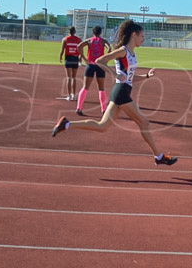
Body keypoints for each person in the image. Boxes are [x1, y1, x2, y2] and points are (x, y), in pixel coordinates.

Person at [52, 20, 177, 166]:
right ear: (134, 34)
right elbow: (100, 60)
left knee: (102, 126)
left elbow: (129, 78)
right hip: (121, 92)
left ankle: (67, 124)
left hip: (121, 91)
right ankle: (158, 156)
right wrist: (114, 73)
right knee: (144, 122)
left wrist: (146, 76)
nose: (143, 39)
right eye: (142, 36)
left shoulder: (132, 54)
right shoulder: (123, 50)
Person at [75, 25, 111, 116]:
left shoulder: (89, 41)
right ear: (101, 32)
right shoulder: (103, 41)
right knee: (101, 88)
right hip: (100, 66)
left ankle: (79, 107)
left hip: (90, 65)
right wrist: (105, 59)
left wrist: (83, 58)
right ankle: (103, 110)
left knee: (85, 87)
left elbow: (79, 46)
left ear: (93, 32)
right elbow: (109, 48)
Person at [59, 26, 81, 101]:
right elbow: (81, 50)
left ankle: (69, 95)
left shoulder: (65, 39)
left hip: (68, 58)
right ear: (75, 32)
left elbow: (62, 50)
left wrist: (60, 56)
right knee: (74, 77)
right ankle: (74, 95)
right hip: (75, 59)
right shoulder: (78, 40)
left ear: (68, 32)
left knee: (69, 77)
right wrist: (80, 58)